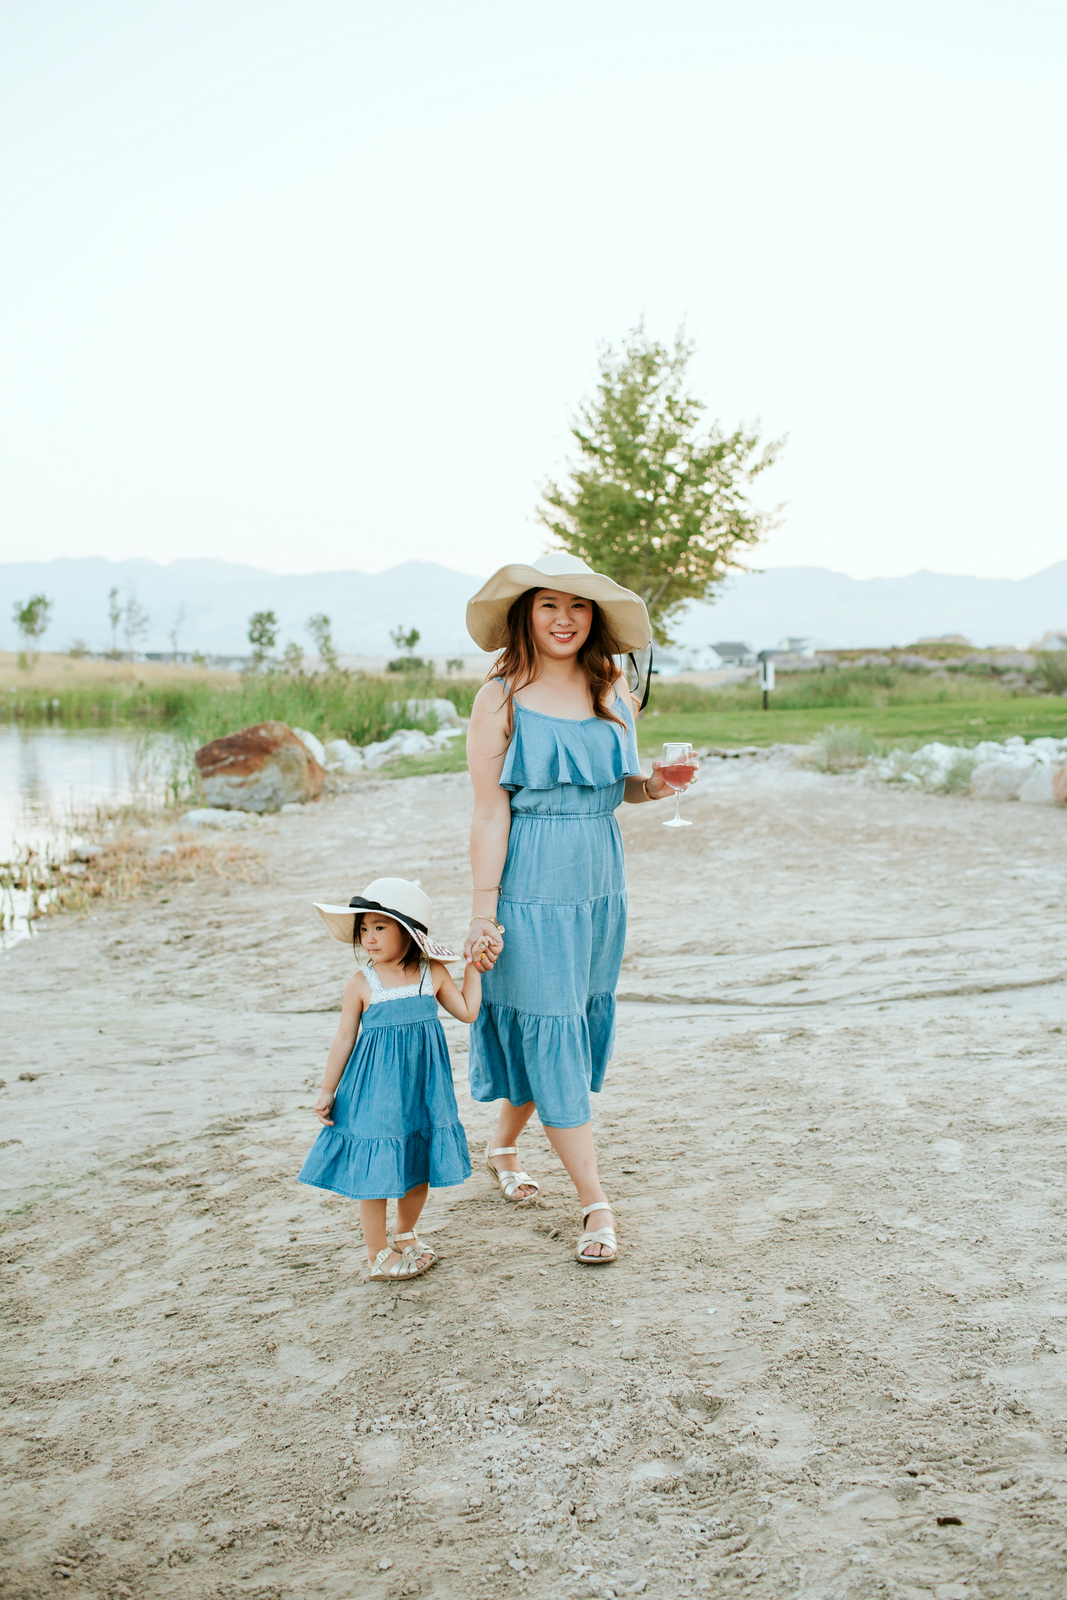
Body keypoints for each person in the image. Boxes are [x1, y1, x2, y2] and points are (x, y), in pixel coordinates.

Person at [462, 553, 696, 1264]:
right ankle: (595, 1203)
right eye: (548, 606)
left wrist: (653, 788)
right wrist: (482, 910)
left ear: (594, 619)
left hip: (599, 881)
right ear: (523, 616)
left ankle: (502, 1147)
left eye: (579, 607)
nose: (564, 619)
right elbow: (487, 813)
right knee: (550, 1025)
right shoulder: (498, 697)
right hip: (530, 885)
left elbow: (614, 784)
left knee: (563, 1021)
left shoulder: (609, 684)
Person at [298, 877, 482, 1282]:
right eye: (363, 930)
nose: (369, 938)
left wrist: (474, 968)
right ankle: (376, 1252)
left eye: (380, 927)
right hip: (374, 1090)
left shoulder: (431, 974)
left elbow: (468, 1011)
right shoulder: (362, 983)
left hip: (424, 1087)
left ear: (409, 933)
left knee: (419, 1162)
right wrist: (328, 1089)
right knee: (377, 1170)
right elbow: (344, 1038)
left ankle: (405, 1232)